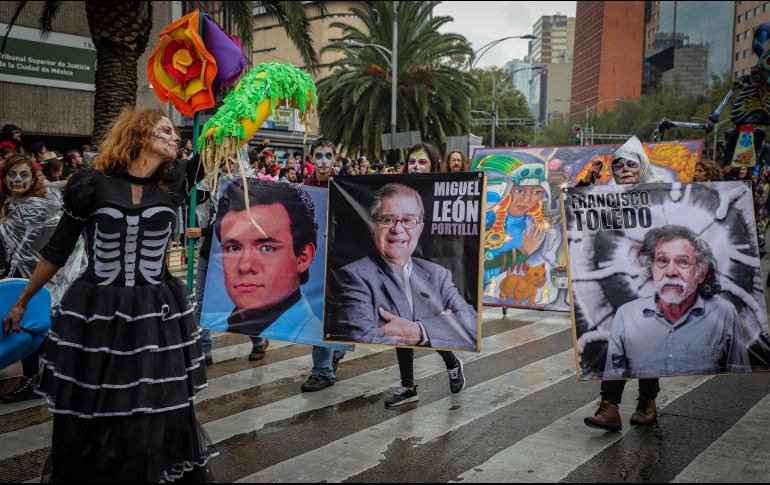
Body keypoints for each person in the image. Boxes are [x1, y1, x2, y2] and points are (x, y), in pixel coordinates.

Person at [1, 109, 214, 481]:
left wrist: (261, 92)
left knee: (153, 407)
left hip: (156, 315)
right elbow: (58, 249)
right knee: (99, 408)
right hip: (99, 313)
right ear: (140, 135)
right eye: (165, 130)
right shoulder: (91, 184)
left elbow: (222, 142)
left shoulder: (176, 181)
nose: (175, 138)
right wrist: (23, 300)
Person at [330, 173, 470, 407]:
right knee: (404, 325)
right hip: (401, 321)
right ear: (373, 226)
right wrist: (437, 321)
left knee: (409, 324)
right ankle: (408, 387)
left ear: (420, 227)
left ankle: (452, 363)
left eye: (407, 221)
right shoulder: (355, 275)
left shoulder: (437, 274)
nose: (398, 229)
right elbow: (362, 331)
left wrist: (420, 329)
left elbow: (467, 320)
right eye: (387, 220)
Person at [582, 135, 665, 432]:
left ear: (642, 166)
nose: (625, 169)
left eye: (632, 163)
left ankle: (647, 400)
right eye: (618, 164)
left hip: (652, 282)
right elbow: (577, 212)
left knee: (646, 341)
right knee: (613, 340)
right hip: (615, 279)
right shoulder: (604, 195)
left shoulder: (660, 194)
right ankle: (610, 406)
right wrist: (585, 185)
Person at [604, 225, 750, 380]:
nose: (671, 271)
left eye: (682, 261)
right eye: (662, 260)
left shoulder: (723, 313)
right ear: (652, 268)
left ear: (700, 272)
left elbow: (740, 382)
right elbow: (612, 384)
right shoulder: (626, 316)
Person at [0, 156, 67, 403]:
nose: (18, 179)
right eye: (13, 174)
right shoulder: (10, 203)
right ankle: (39, 377)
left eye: (24, 174)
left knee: (33, 327)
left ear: (33, 178)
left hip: (34, 277)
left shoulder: (35, 206)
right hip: (15, 274)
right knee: (25, 327)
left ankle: (47, 376)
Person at [301, 138, 347, 391]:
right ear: (311, 158)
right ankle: (329, 359)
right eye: (319, 156)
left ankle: (326, 364)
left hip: (339, 259)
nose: (324, 161)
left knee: (331, 312)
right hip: (315, 259)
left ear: (335, 158)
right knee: (319, 312)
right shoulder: (306, 186)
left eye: (328, 155)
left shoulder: (344, 185)